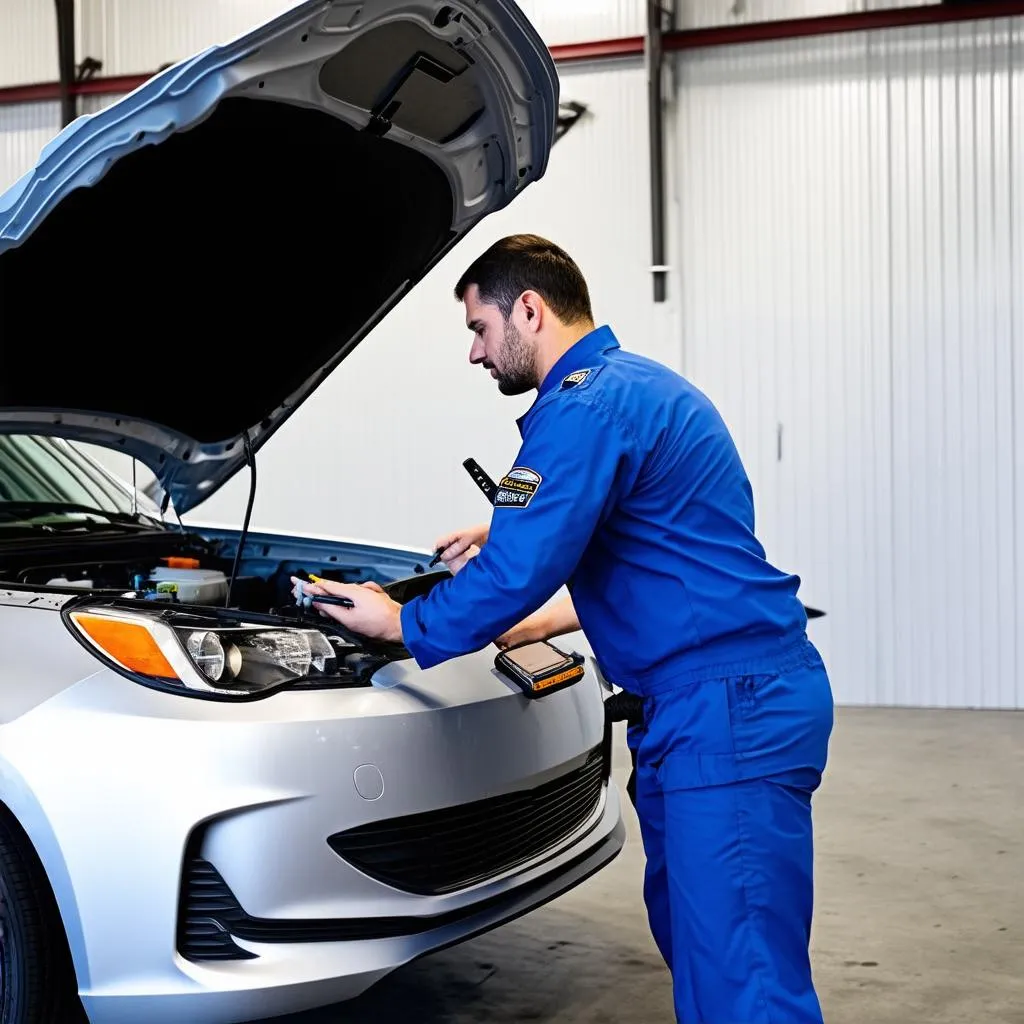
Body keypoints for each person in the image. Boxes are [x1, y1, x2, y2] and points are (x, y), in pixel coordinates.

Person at [292, 234, 834, 1023]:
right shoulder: (633, 388)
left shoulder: (581, 405)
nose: (476, 355)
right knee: (708, 953)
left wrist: (403, 621)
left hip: (725, 713)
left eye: (479, 329)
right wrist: (530, 587)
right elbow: (658, 560)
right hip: (713, 707)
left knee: (744, 984)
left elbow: (516, 571)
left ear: (530, 310)